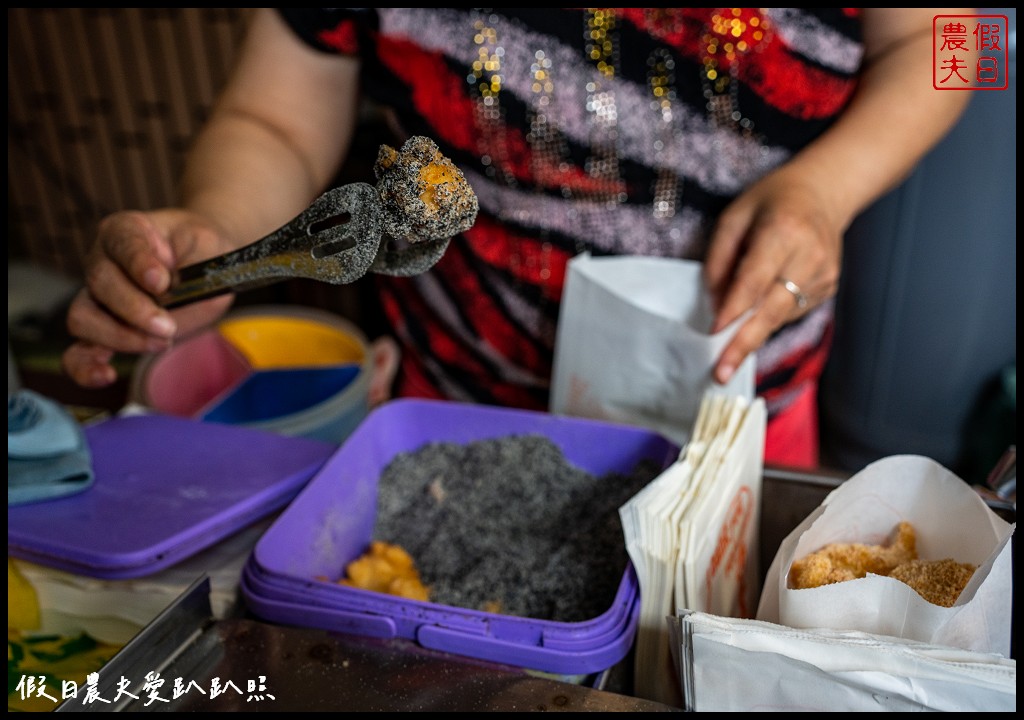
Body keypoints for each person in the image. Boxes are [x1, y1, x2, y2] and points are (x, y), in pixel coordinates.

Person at [62, 8, 971, 469]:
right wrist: (217, 225)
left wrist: (826, 189)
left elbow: (970, 40)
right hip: (454, 399)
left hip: (736, 412)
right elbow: (275, 115)